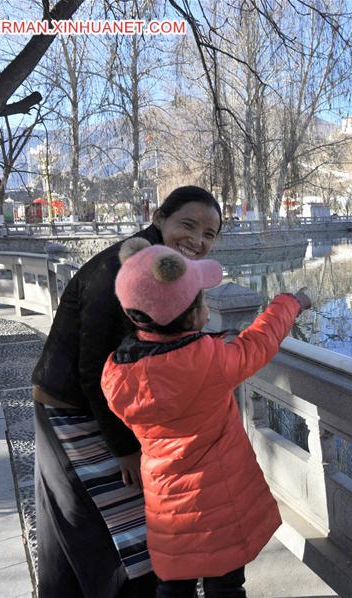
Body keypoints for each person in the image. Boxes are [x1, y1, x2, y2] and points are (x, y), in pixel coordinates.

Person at [30, 186, 223, 597]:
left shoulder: (160, 264)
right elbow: (92, 366)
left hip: (82, 402)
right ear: (159, 218)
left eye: (209, 234)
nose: (198, 240)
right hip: (72, 408)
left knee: (74, 534)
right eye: (187, 225)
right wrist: (124, 449)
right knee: (115, 537)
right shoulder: (128, 269)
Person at [100, 239, 311, 597]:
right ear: (196, 315)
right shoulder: (208, 362)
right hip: (220, 501)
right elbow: (259, 340)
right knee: (225, 586)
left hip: (166, 501)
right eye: (201, 299)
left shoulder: (115, 371)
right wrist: (291, 302)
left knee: (172, 585)